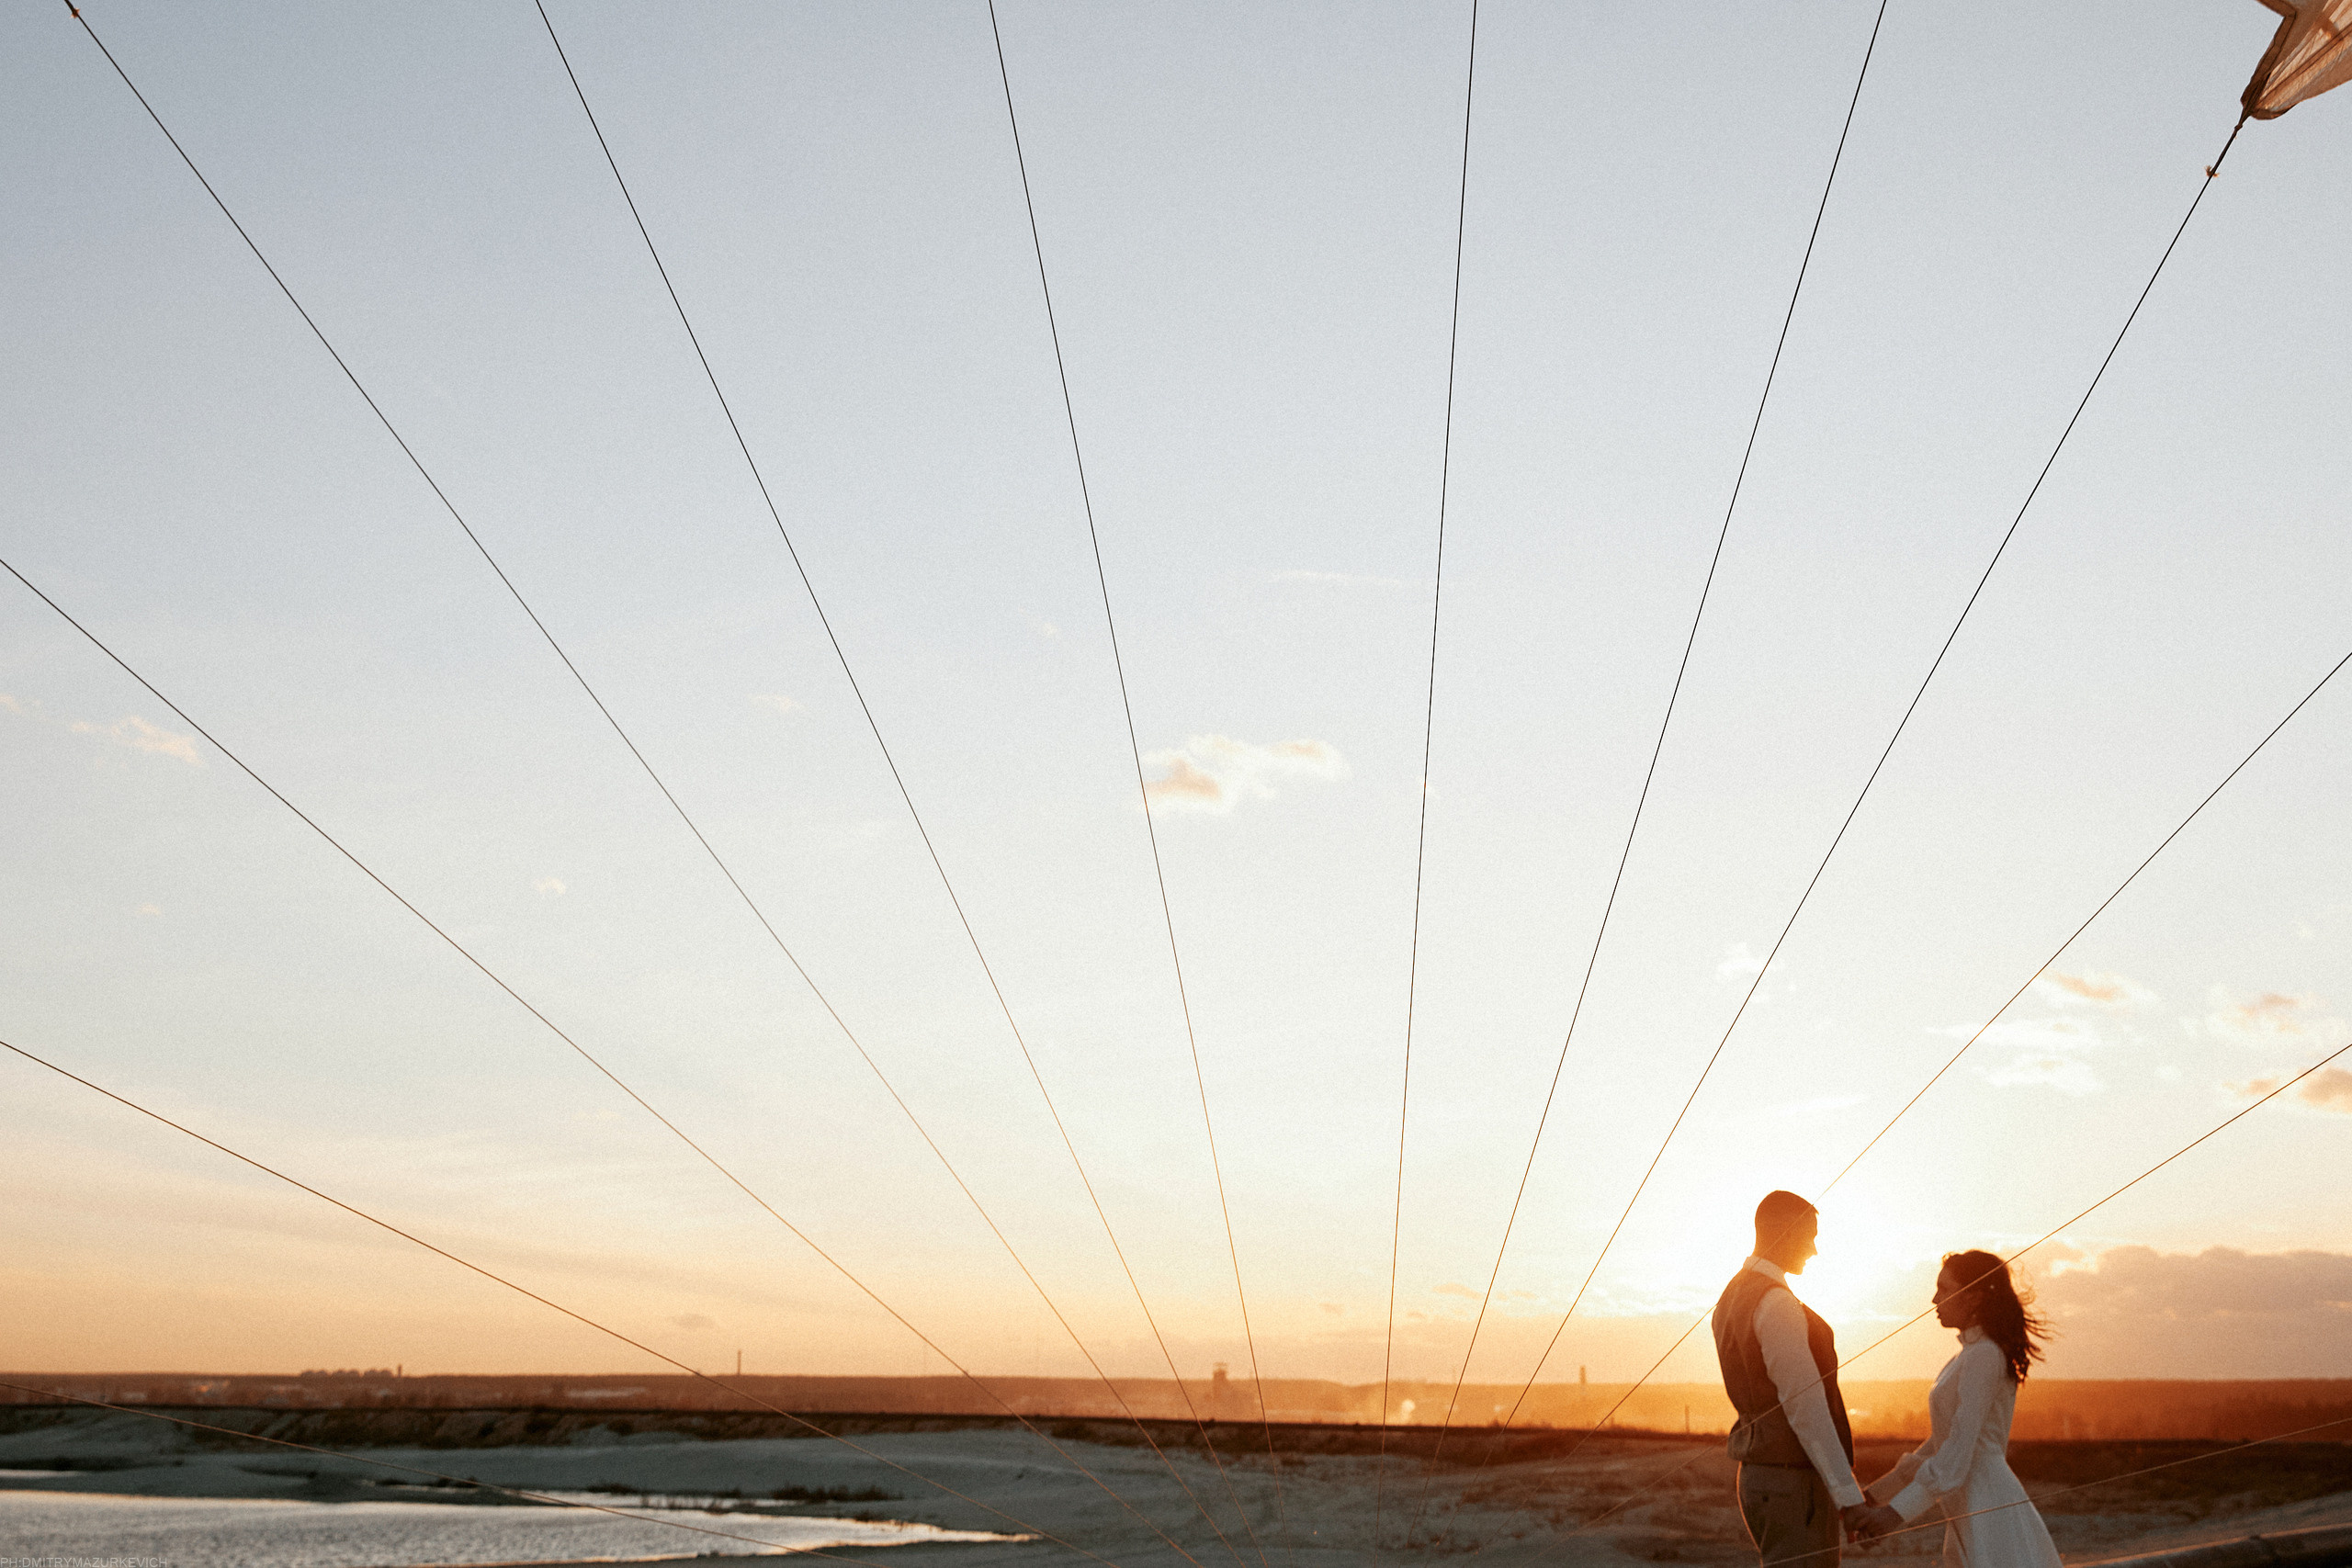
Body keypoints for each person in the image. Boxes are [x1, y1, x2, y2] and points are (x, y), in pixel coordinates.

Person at [1848, 1250, 2062, 1568]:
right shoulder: (1969, 1354)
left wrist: (1894, 1514)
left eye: (1944, 1289)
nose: (1935, 1299)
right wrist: (1877, 1495)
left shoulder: (1984, 1355)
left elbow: (1959, 1450)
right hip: (1967, 1504)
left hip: (1987, 1503)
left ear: (1974, 1297)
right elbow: (1941, 1442)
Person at [1713, 1190, 1873, 1567]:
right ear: (1781, 1231)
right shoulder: (1776, 1302)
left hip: (1759, 1477)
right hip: (1792, 1485)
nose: (1815, 1249)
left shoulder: (1730, 1297)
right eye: (1810, 1236)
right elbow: (1806, 1406)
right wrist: (1848, 1497)